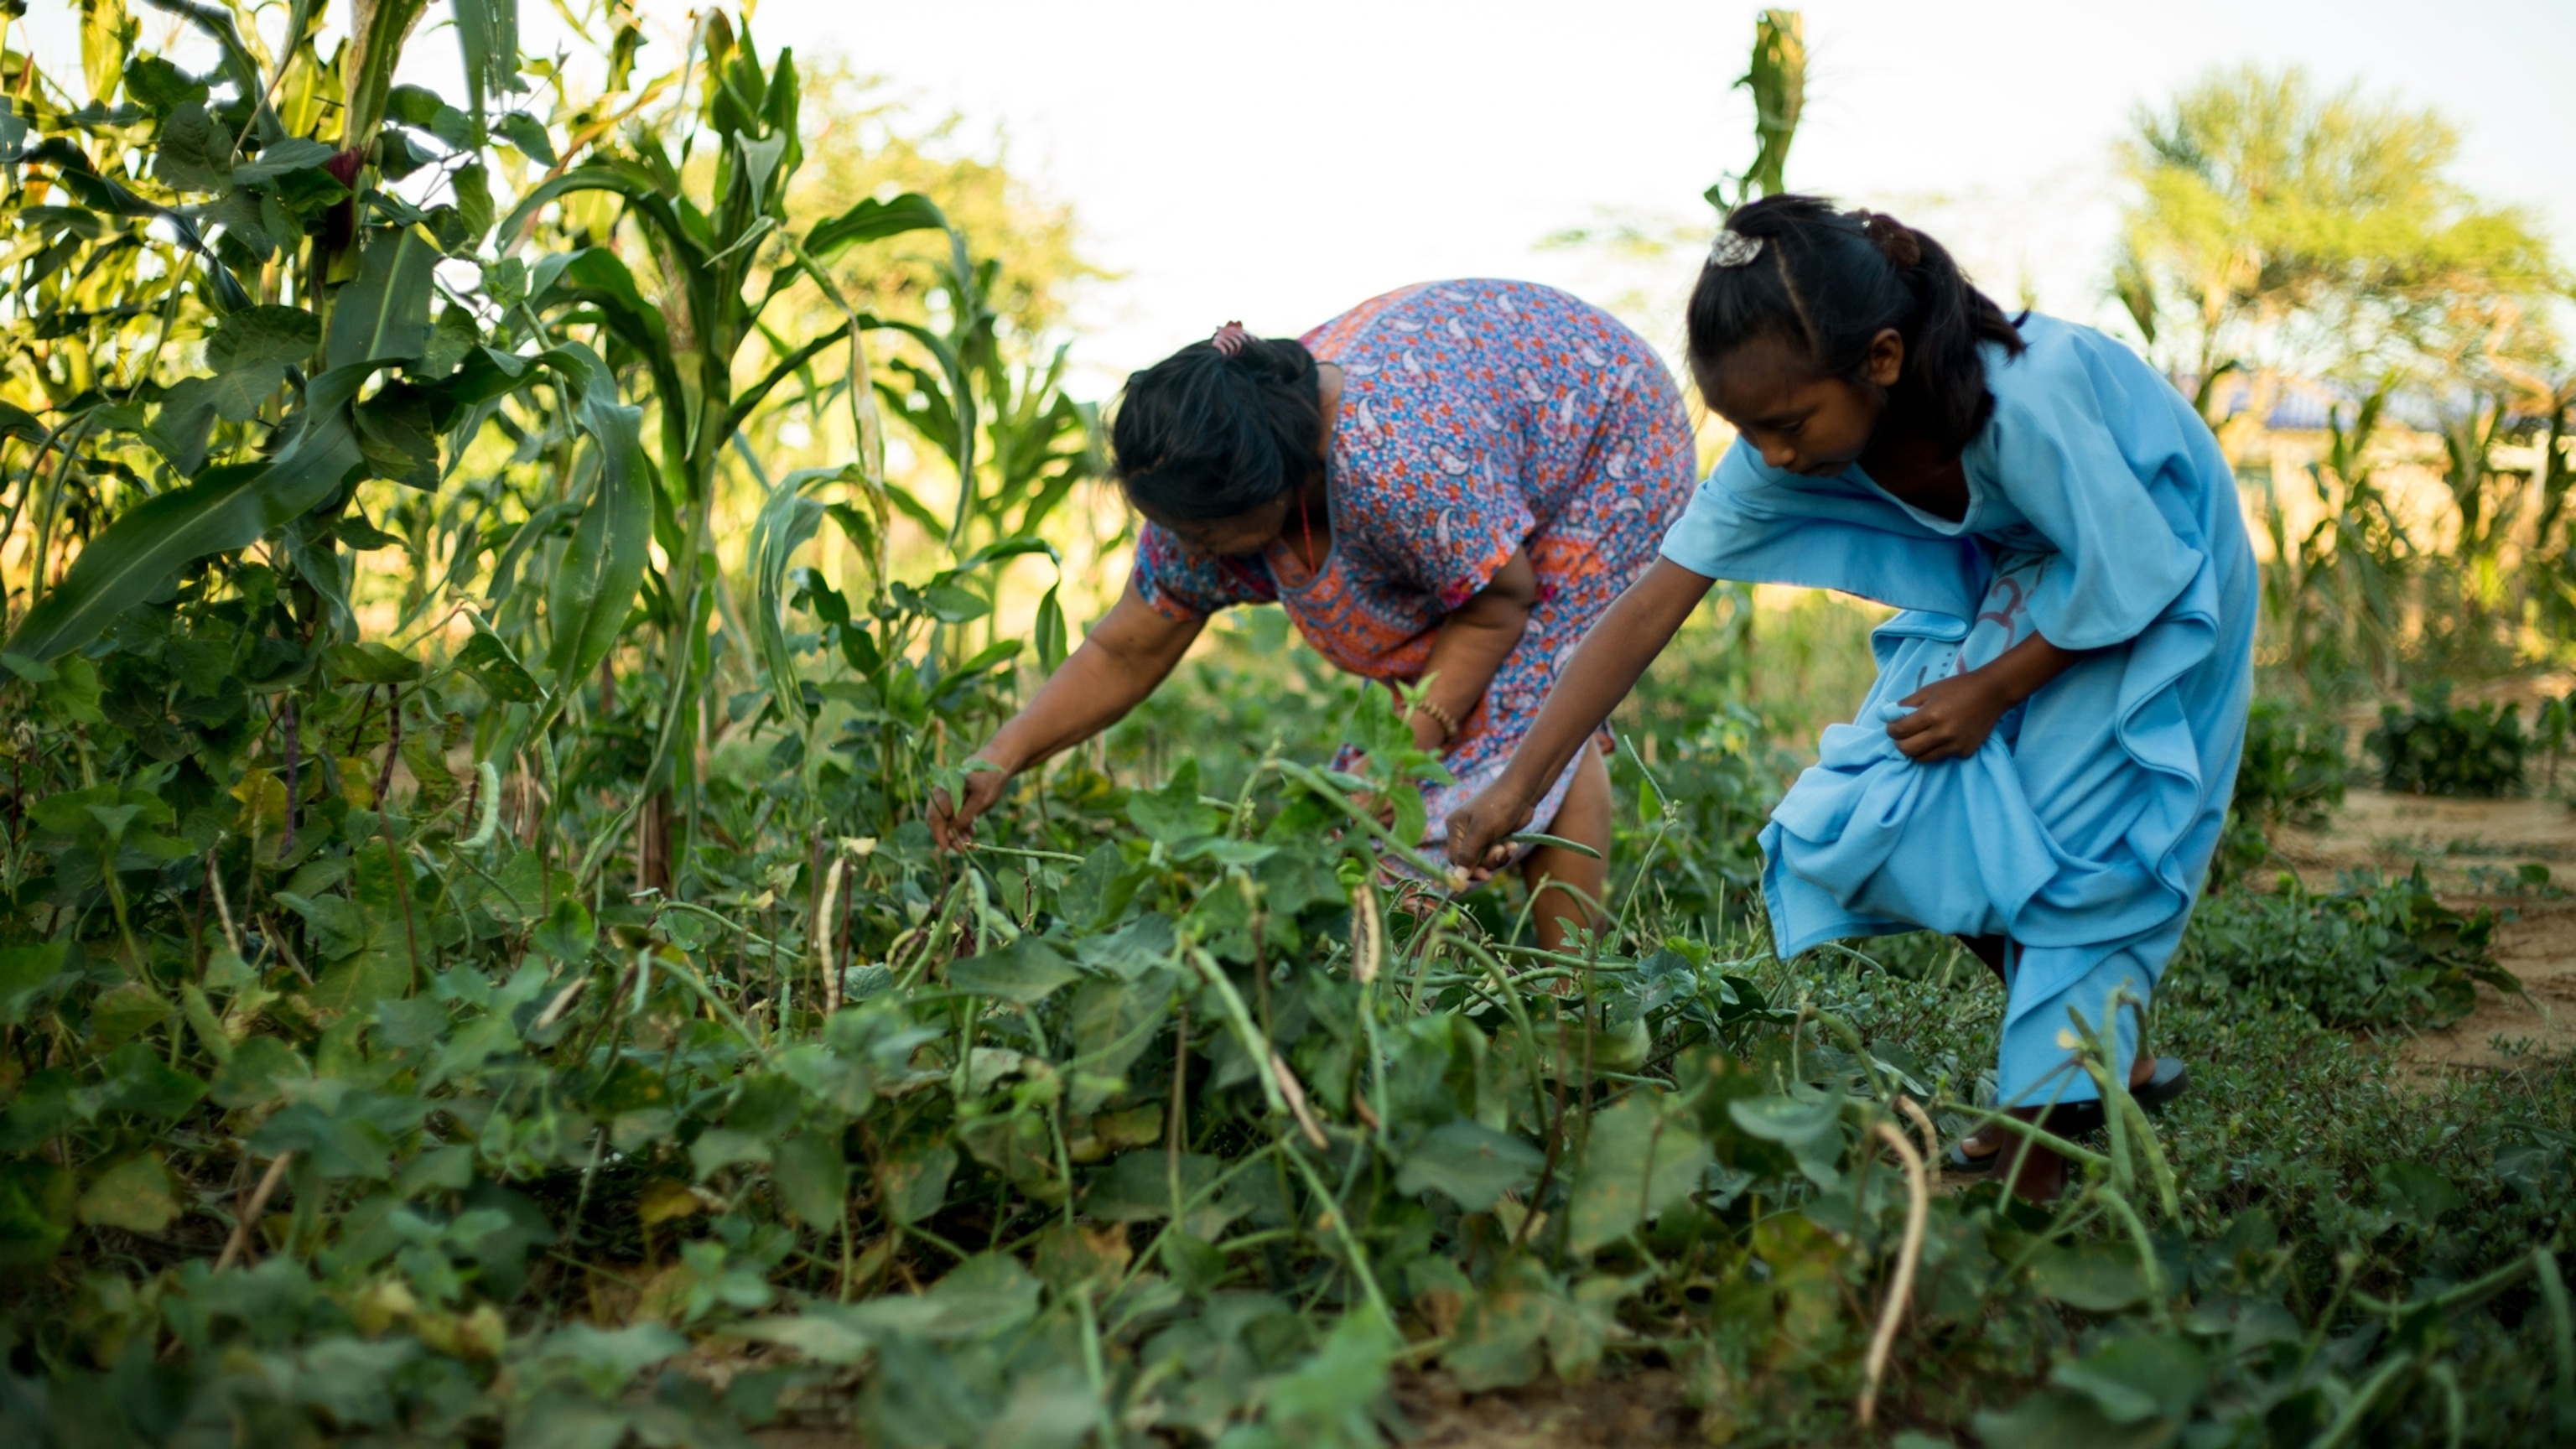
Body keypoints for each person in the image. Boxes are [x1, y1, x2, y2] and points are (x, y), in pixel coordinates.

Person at [1446, 196, 2254, 1201]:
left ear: (1880, 360)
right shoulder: (1787, 437)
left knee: (2083, 845)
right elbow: (1644, 610)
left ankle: (2045, 1151)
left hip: (2165, 561)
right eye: (1748, 429)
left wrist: (1992, 689)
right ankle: (2099, 1057)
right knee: (1893, 813)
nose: (1773, 455)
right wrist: (1518, 784)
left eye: (1786, 425)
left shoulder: (2025, 399)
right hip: (2021, 570)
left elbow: (2137, 564)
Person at [930, 280, 1695, 948]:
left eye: (1201, 534)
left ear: (1277, 488)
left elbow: (1499, 606)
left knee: (1506, 733)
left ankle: (1572, 999)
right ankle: (1560, 981)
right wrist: (1003, 754)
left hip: (1604, 436)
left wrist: (1397, 761)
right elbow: (1127, 647)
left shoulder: (1397, 463)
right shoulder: (1215, 465)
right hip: (1488, 450)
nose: (1187, 549)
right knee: (1455, 751)